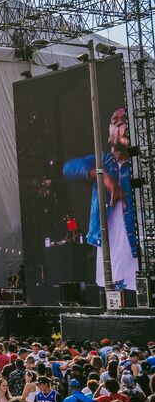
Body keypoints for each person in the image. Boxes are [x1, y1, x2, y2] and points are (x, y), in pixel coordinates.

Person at [64, 105, 139, 291]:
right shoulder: (102, 161)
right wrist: (103, 176)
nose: (121, 124)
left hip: (137, 256)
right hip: (109, 259)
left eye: (125, 121)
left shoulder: (141, 164)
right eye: (115, 122)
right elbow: (69, 169)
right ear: (108, 136)